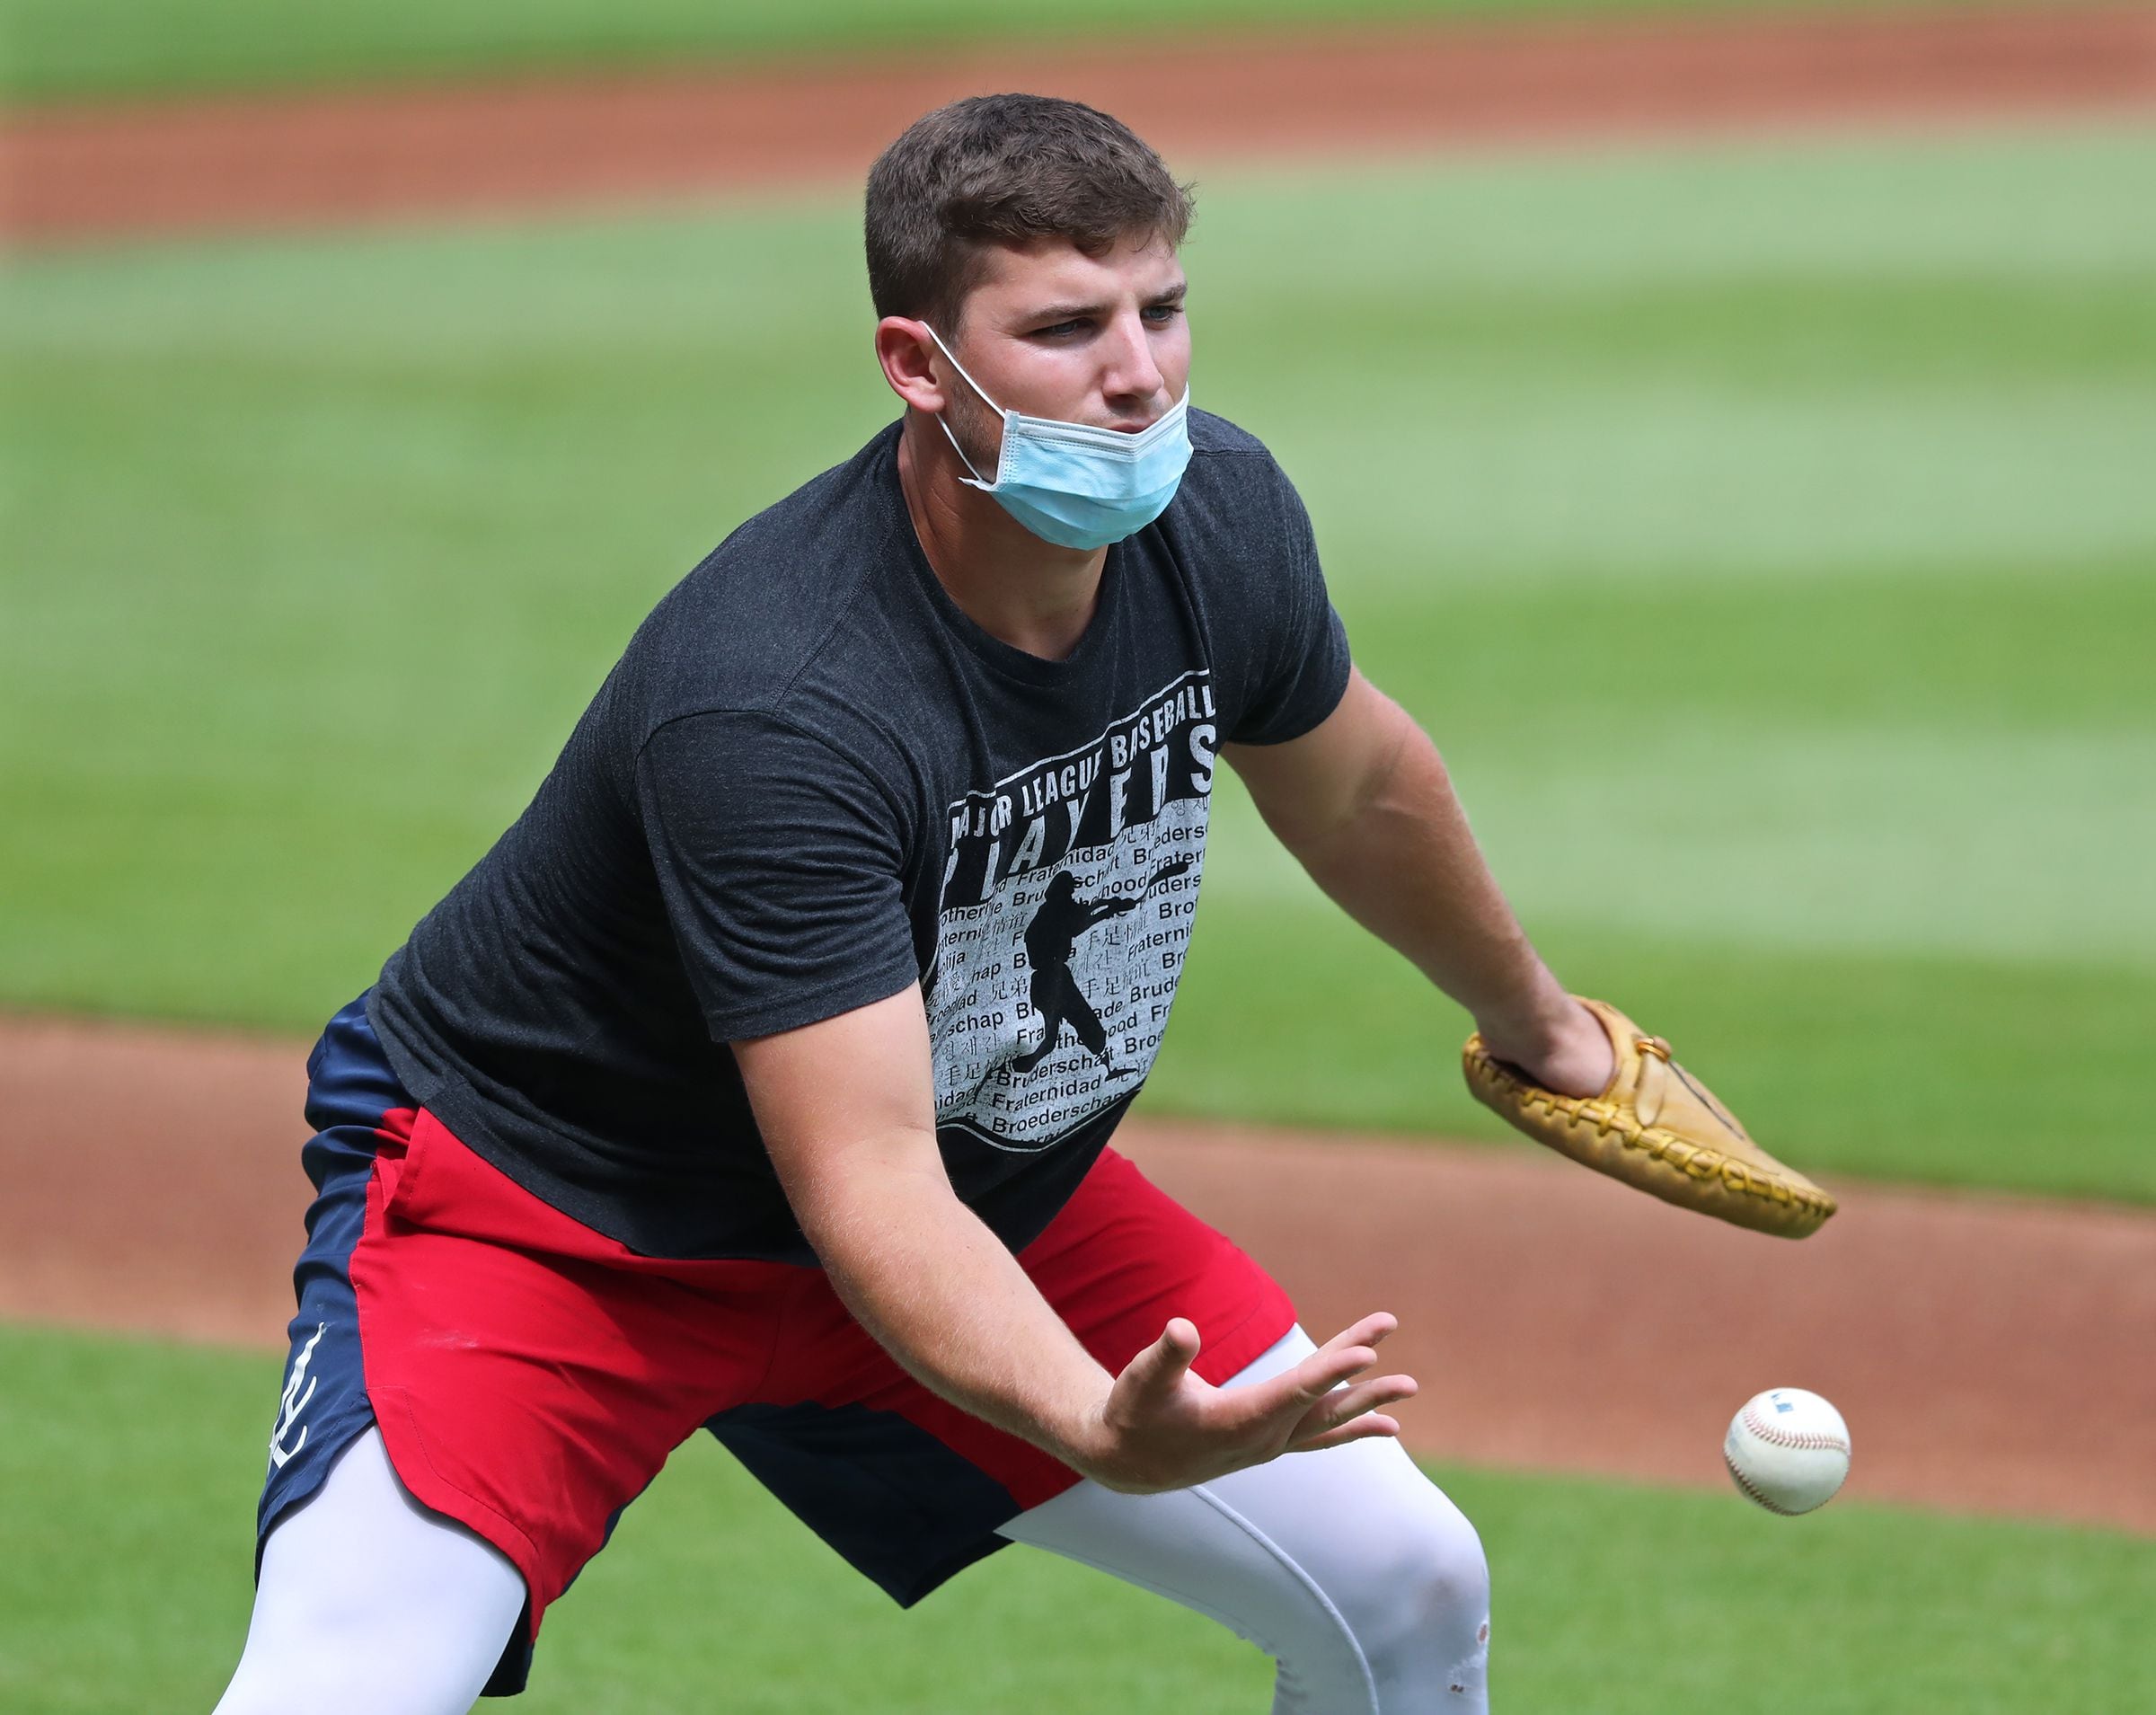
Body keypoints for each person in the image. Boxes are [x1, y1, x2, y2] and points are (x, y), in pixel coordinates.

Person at [214, 93, 1614, 1715]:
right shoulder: (778, 701)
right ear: (917, 361)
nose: (1139, 371)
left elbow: (1361, 782)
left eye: (1161, 310)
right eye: (1066, 327)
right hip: (559, 1227)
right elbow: (861, 1175)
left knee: (1408, 1580)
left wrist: (1549, 1030)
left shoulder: (1213, 517)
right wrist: (1093, 1425)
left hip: (976, 1190)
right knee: (339, 1692)